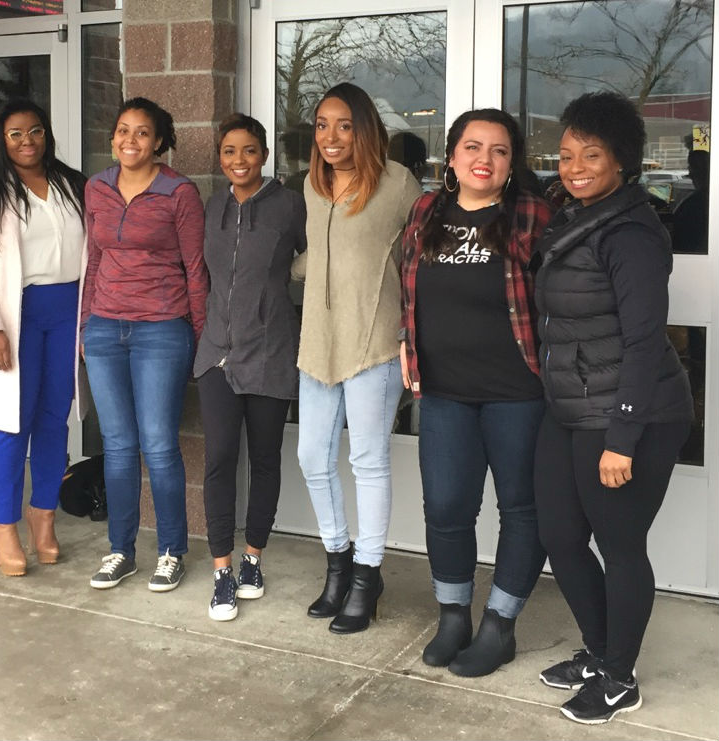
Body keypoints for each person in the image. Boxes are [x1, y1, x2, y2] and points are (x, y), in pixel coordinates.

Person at [533, 91, 694, 724]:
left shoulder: (630, 234)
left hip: (634, 415)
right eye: (567, 153)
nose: (573, 165)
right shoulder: (575, 216)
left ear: (621, 161)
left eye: (590, 154)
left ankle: (620, 678)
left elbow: (643, 338)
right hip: (571, 406)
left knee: (620, 546)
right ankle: (600, 653)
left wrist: (622, 438)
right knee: (561, 535)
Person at [398, 109, 553, 676]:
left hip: (517, 391)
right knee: (445, 509)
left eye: (499, 150)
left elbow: (562, 291)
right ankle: (454, 617)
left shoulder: (532, 213)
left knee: (521, 509)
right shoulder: (425, 210)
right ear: (452, 155)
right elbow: (408, 289)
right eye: (472, 146)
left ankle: (499, 625)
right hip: (443, 392)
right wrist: (405, 343)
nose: (484, 159)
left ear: (513, 163)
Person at [295, 82, 423, 634]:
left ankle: (368, 576)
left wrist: (411, 333)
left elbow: (419, 261)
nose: (331, 137)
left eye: (343, 125)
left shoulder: (397, 184)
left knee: (367, 463)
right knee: (311, 457)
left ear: (365, 127)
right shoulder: (312, 184)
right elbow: (318, 257)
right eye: (322, 125)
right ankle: (338, 562)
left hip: (373, 342)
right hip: (318, 343)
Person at [0, 98, 87, 576]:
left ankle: (43, 516)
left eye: (34, 131)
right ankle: (4, 524)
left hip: (67, 312)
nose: (27, 141)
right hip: (16, 316)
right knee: (12, 423)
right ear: (1, 139)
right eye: (15, 134)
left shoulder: (72, 184)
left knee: (54, 421)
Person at [82, 97, 207, 593]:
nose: (129, 141)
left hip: (161, 329)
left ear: (158, 141)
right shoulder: (97, 187)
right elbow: (93, 260)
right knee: (116, 447)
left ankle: (172, 551)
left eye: (141, 133)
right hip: (105, 329)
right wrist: (86, 327)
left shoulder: (179, 193)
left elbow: (195, 269)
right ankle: (121, 550)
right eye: (122, 131)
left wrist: (197, 336)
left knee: (157, 446)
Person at [194, 113, 307, 621]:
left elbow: (317, 258)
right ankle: (222, 570)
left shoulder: (288, 205)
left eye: (248, 151)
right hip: (217, 352)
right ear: (220, 158)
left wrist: (284, 298)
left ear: (264, 155)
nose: (238, 161)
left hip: (270, 351)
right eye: (229, 152)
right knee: (218, 458)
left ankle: (253, 558)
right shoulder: (212, 206)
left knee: (264, 460)